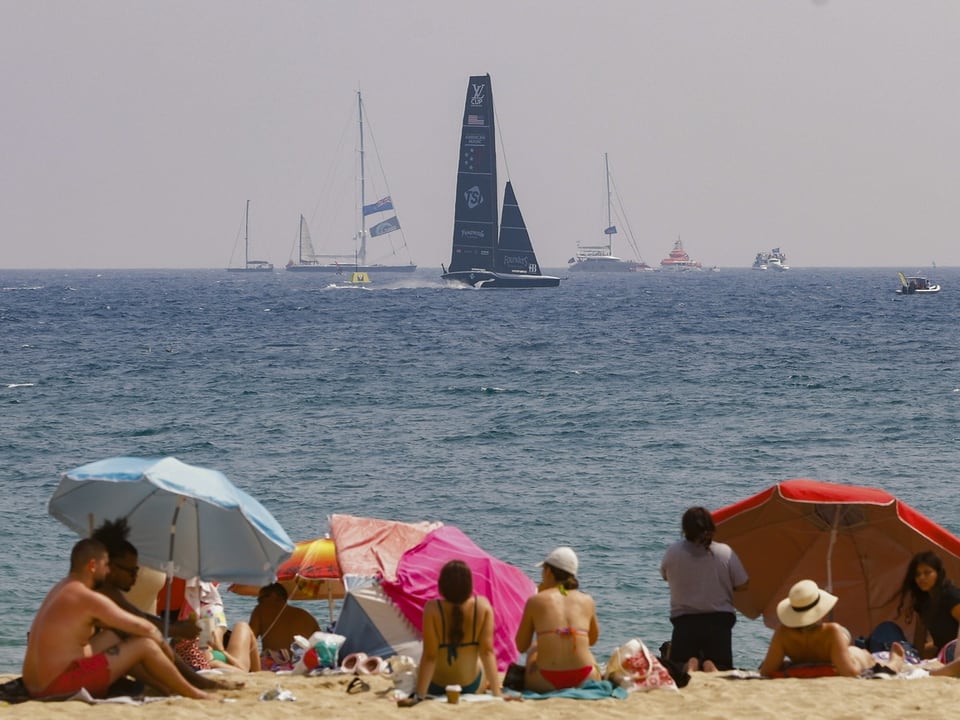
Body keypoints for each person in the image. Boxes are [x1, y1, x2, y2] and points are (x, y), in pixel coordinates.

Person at [22, 538, 211, 700]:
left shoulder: (63, 588)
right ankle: (194, 693)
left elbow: (125, 625)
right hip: (58, 686)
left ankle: (165, 687)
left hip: (35, 683)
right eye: (106, 567)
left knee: (116, 637)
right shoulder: (88, 598)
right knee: (144, 645)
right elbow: (146, 628)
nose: (108, 573)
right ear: (92, 566)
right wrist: (169, 643)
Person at [91, 518, 248, 685]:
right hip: (79, 671)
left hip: (96, 661)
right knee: (143, 642)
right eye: (130, 571)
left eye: (135, 570)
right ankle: (194, 688)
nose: (133, 576)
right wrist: (175, 630)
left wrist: (175, 630)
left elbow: (137, 617)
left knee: (145, 643)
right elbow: (134, 622)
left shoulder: (106, 590)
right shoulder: (89, 593)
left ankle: (188, 686)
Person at [398, 560, 500, 706]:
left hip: (436, 685)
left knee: (420, 663)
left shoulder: (432, 609)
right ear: (469, 584)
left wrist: (419, 696)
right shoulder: (482, 606)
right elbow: (487, 652)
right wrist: (497, 694)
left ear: (442, 585)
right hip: (471, 685)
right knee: (479, 661)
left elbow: (430, 656)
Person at [660, 506, 749, 672]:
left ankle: (689, 663)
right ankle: (712, 665)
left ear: (685, 529)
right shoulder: (725, 552)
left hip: (685, 621)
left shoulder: (673, 552)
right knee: (722, 665)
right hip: (719, 621)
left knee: (678, 665)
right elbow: (743, 584)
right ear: (711, 527)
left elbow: (665, 576)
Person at [759, 579, 906, 677]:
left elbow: (766, 671)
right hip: (836, 660)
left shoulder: (783, 633)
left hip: (801, 661)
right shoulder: (830, 631)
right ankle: (895, 663)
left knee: (854, 649)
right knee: (862, 654)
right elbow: (850, 672)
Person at [515, 546, 602, 692]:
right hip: (585, 677)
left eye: (543, 571)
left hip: (544, 680)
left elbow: (521, 646)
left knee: (534, 648)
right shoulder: (587, 600)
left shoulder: (536, 600)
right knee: (586, 650)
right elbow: (592, 640)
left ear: (548, 571)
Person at [896, 551, 960, 660]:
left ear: (938, 573)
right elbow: (920, 637)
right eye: (917, 574)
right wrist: (916, 659)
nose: (921, 578)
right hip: (943, 653)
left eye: (927, 573)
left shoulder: (950, 596)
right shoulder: (923, 602)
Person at [248, 582, 320, 668]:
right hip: (303, 665)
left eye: (261, 599)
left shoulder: (261, 609)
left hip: (275, 664)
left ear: (276, 596)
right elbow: (320, 645)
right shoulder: (307, 616)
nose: (259, 602)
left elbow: (248, 641)